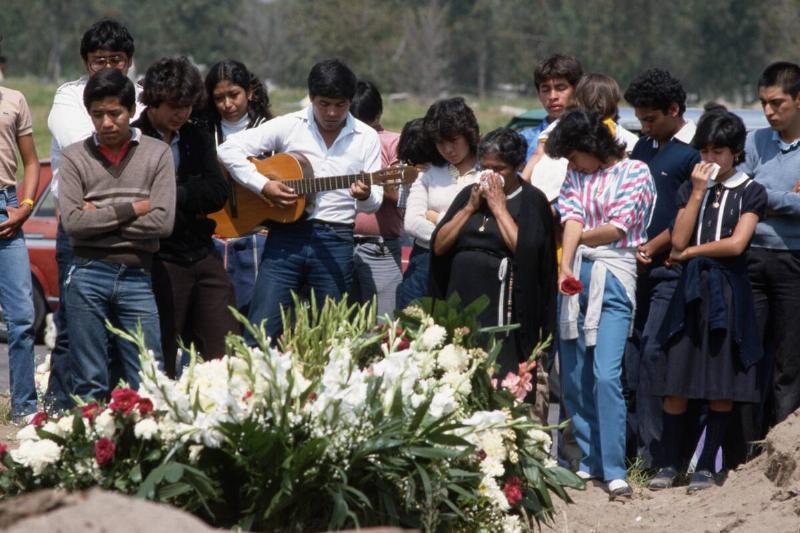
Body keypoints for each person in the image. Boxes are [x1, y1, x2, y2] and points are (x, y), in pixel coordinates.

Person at [217, 58, 382, 342]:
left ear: (350, 101)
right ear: (311, 98)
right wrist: (263, 185)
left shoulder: (366, 137)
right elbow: (228, 150)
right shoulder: (289, 125)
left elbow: (375, 201)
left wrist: (365, 195)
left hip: (336, 239)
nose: (332, 112)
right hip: (285, 237)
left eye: (340, 105)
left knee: (331, 335)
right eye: (324, 104)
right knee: (260, 330)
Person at [647, 110, 766, 493]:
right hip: (689, 292)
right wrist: (698, 193)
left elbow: (736, 244)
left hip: (727, 294)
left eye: (719, 152)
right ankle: (668, 463)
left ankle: (705, 467)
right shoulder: (691, 188)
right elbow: (678, 240)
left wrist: (691, 253)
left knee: (720, 385)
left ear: (736, 153)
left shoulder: (750, 190)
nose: (710, 160)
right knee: (676, 380)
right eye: (705, 151)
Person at [548, 109, 656, 498]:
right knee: (574, 376)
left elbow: (617, 228)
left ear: (591, 146)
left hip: (614, 277)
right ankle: (589, 460)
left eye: (574, 155)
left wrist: (574, 241)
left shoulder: (636, 172)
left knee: (607, 375)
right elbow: (571, 218)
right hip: (576, 275)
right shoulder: (576, 174)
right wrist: (565, 265)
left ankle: (614, 467)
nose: (572, 164)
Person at [58, 68, 175, 401]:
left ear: (132, 110)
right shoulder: (73, 157)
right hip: (87, 273)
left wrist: (98, 215)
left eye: (115, 113)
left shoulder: (158, 153)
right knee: (89, 381)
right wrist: (134, 208)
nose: (106, 123)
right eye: (98, 115)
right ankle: (90, 436)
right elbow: (74, 224)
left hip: (137, 275)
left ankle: (142, 436)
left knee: (147, 379)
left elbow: (163, 223)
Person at [46, 19, 141, 411]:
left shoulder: (142, 97)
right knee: (73, 323)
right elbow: (89, 144)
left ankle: (118, 409)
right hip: (80, 228)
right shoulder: (69, 97)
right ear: (86, 62)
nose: (107, 67)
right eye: (99, 60)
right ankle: (58, 412)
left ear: (128, 60)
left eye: (115, 59)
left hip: (131, 229)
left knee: (125, 325)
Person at [132, 56, 236, 378]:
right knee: (160, 351)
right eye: (174, 106)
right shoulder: (134, 139)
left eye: (188, 106)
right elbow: (135, 200)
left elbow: (217, 192)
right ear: (153, 100)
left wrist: (172, 194)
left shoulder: (197, 136)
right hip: (159, 257)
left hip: (201, 251)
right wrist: (188, 194)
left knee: (225, 345)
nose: (182, 114)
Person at [429, 127, 557, 385]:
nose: (490, 175)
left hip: (504, 307)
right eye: (484, 167)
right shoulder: (469, 194)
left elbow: (528, 252)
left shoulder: (531, 200)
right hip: (461, 299)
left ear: (518, 166)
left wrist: (499, 208)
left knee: (498, 375)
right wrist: (469, 208)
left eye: (499, 169)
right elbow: (439, 246)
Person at [623, 68, 701, 467]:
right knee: (632, 357)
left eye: (651, 119)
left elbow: (690, 213)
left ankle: (659, 456)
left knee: (656, 353)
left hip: (671, 269)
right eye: (640, 120)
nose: (645, 127)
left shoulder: (694, 153)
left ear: (673, 110)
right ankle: (632, 452)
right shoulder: (643, 148)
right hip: (635, 270)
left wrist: (653, 247)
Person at [733, 61, 800, 464]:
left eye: (777, 103)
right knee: (747, 358)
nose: (769, 112)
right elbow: (739, 191)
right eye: (763, 104)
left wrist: (762, 199)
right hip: (751, 259)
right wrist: (787, 199)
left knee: (788, 364)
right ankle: (744, 457)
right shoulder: (755, 141)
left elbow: (753, 195)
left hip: (793, 262)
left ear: (799, 99)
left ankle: (782, 455)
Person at [203, 59, 272, 316]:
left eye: (234, 95)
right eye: (219, 98)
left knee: (254, 317)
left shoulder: (269, 130)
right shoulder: (205, 132)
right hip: (214, 237)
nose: (227, 104)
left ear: (249, 92)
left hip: (259, 237)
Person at [398, 97, 481, 310]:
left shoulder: (485, 172)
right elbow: (412, 223)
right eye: (440, 143)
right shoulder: (429, 173)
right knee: (412, 325)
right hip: (425, 263)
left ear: (468, 134)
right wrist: (456, 233)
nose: (448, 149)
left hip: (469, 265)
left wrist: (436, 217)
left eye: (453, 140)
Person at [0, 78, 40, 423]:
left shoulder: (13, 100)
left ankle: (24, 409)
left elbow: (31, 161)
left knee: (23, 318)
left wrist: (26, 206)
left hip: (6, 209)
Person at [346, 81, 404, 318]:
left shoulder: (394, 143)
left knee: (384, 323)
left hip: (380, 248)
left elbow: (399, 195)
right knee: (343, 323)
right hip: (343, 243)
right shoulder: (341, 142)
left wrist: (374, 183)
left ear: (378, 115)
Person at [519, 54, 583, 164]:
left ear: (577, 90)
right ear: (538, 94)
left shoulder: (594, 136)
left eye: (560, 88)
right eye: (545, 89)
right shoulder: (524, 141)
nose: (552, 96)